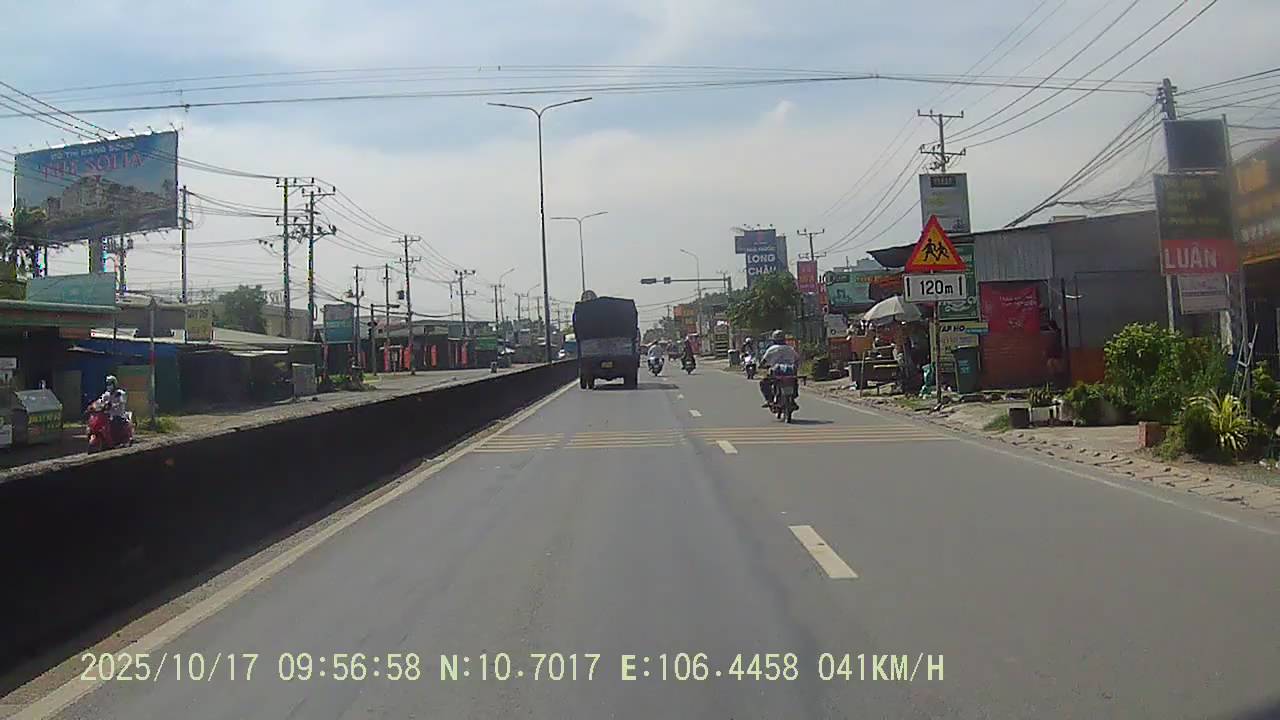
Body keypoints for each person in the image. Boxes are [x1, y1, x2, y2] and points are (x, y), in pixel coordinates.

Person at [758, 330, 800, 407]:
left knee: (763, 383)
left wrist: (761, 365)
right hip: (790, 371)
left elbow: (764, 360)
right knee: (794, 381)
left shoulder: (771, 349)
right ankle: (792, 399)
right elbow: (797, 359)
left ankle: (769, 400)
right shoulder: (790, 349)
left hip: (776, 371)